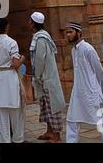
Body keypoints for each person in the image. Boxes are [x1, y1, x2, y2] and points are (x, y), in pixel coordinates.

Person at [65, 22, 103, 143]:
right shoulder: (73, 50)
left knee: (102, 123)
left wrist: (94, 87)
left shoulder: (88, 48)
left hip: (91, 93)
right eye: (66, 32)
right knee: (72, 120)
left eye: (70, 32)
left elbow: (99, 71)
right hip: (77, 93)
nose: (68, 35)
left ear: (79, 33)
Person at [0, 18, 26, 143]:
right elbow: (15, 64)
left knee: (0, 113)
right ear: (8, 27)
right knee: (16, 112)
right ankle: (18, 139)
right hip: (9, 77)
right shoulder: (12, 42)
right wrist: (23, 59)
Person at [29, 12, 66, 143]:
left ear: (33, 23)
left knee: (52, 107)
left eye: (30, 21)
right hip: (45, 78)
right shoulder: (42, 36)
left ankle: (57, 136)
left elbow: (40, 59)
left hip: (46, 78)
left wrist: (37, 75)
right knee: (45, 106)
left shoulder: (41, 39)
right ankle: (50, 131)